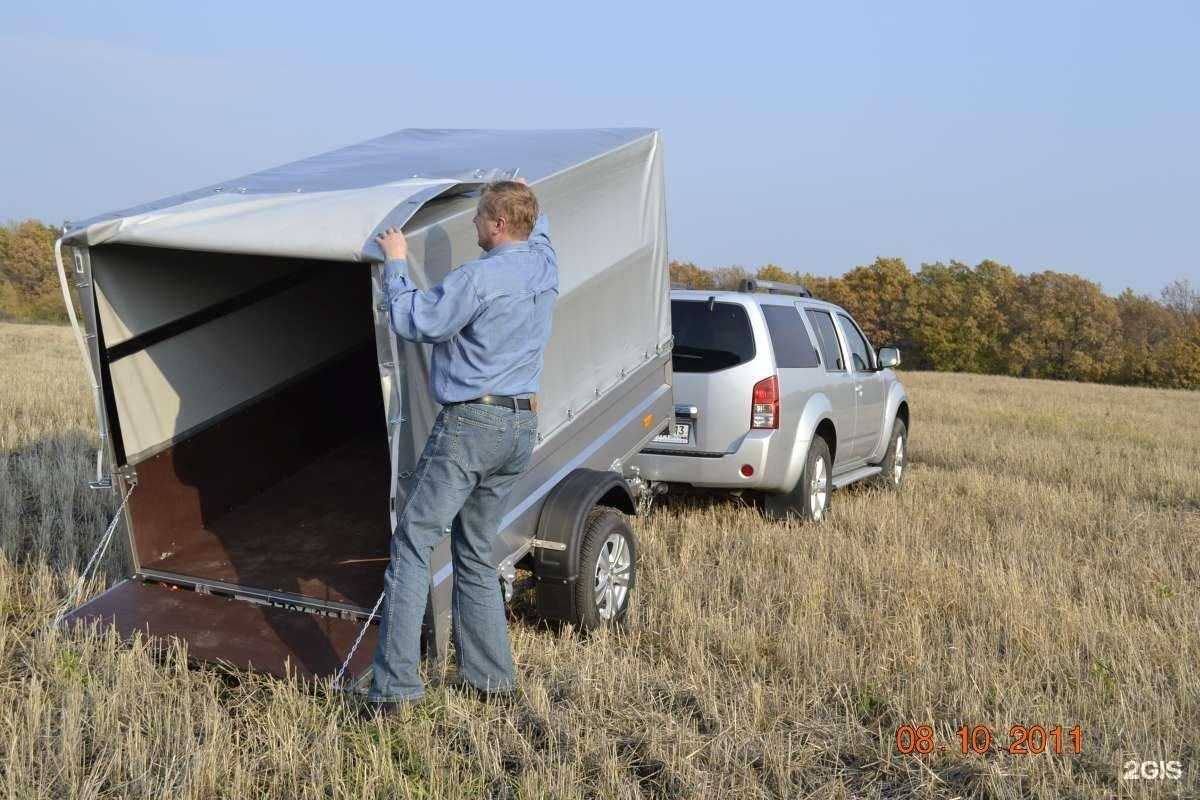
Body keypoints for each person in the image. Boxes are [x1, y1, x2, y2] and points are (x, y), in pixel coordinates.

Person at [362, 179, 558, 716]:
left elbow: (414, 321)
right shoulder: (545, 266)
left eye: (478, 217)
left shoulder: (476, 279)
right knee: (474, 551)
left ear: (497, 224)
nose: (472, 225)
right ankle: (492, 681)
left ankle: (395, 689)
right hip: (519, 428)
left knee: (412, 544)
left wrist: (396, 262)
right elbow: (541, 226)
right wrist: (521, 191)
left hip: (471, 425)